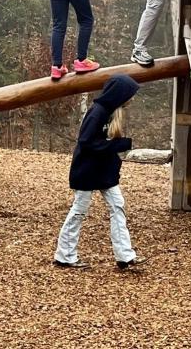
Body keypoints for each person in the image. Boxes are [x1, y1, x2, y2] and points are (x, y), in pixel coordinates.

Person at [53, 74, 146, 270]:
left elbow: (101, 143)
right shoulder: (98, 112)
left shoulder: (112, 111)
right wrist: (118, 145)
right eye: (130, 94)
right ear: (119, 94)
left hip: (105, 173)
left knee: (117, 206)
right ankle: (64, 255)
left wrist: (114, 149)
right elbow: (86, 142)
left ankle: (125, 255)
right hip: (86, 171)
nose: (132, 98)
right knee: (79, 210)